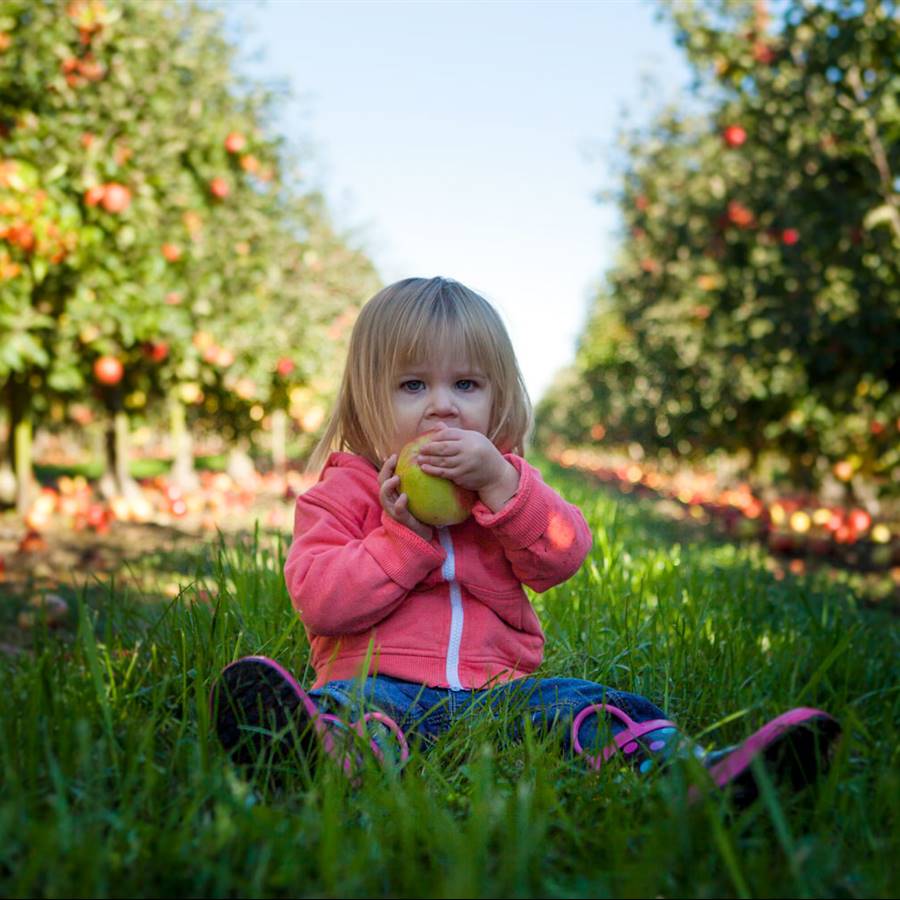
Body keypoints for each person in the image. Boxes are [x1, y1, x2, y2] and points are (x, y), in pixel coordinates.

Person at [210, 276, 840, 805]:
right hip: (377, 681)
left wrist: (503, 488)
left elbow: (563, 555)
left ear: (497, 397)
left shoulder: (506, 485)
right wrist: (402, 540)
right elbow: (321, 602)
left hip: (501, 690)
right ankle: (316, 755)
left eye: (466, 385)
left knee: (592, 706)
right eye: (412, 386)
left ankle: (697, 773)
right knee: (351, 711)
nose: (442, 408)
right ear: (365, 397)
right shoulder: (339, 496)